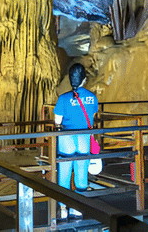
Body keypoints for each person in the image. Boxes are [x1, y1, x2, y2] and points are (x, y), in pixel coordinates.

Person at [54, 63, 98, 219]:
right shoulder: (92, 97)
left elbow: (57, 120)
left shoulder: (63, 98)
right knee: (81, 172)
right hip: (84, 137)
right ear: (84, 80)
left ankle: (63, 208)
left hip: (67, 137)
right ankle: (78, 208)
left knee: (64, 173)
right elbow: (92, 117)